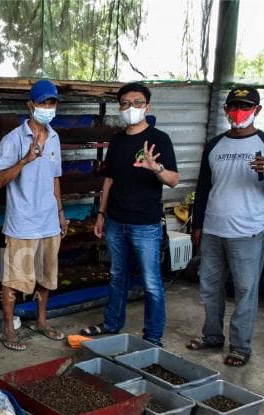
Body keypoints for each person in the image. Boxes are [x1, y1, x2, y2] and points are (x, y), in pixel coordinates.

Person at [187, 85, 264, 367]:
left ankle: (240, 347)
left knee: (246, 291)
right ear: (225, 110)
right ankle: (212, 336)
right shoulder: (215, 145)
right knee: (210, 288)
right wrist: (197, 226)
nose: (238, 112)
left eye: (245, 107)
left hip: (247, 232)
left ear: (257, 110)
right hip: (212, 230)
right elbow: (203, 187)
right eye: (233, 107)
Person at [80, 82, 180, 346]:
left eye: (137, 103)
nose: (131, 108)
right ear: (120, 107)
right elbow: (109, 180)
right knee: (116, 276)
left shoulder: (160, 139)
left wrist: (155, 167)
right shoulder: (117, 140)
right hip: (115, 220)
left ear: (147, 106)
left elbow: (173, 180)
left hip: (145, 224)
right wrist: (101, 213)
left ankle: (153, 337)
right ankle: (112, 323)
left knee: (151, 283)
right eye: (125, 103)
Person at [0, 79, 68, 350]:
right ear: (30, 105)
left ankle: (41, 321)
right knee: (14, 279)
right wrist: (25, 160)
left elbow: (55, 179)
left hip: (48, 220)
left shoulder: (55, 138)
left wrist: (60, 214)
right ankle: (8, 329)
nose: (48, 107)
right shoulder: (13, 140)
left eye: (52, 103)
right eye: (43, 102)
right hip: (22, 222)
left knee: (46, 276)